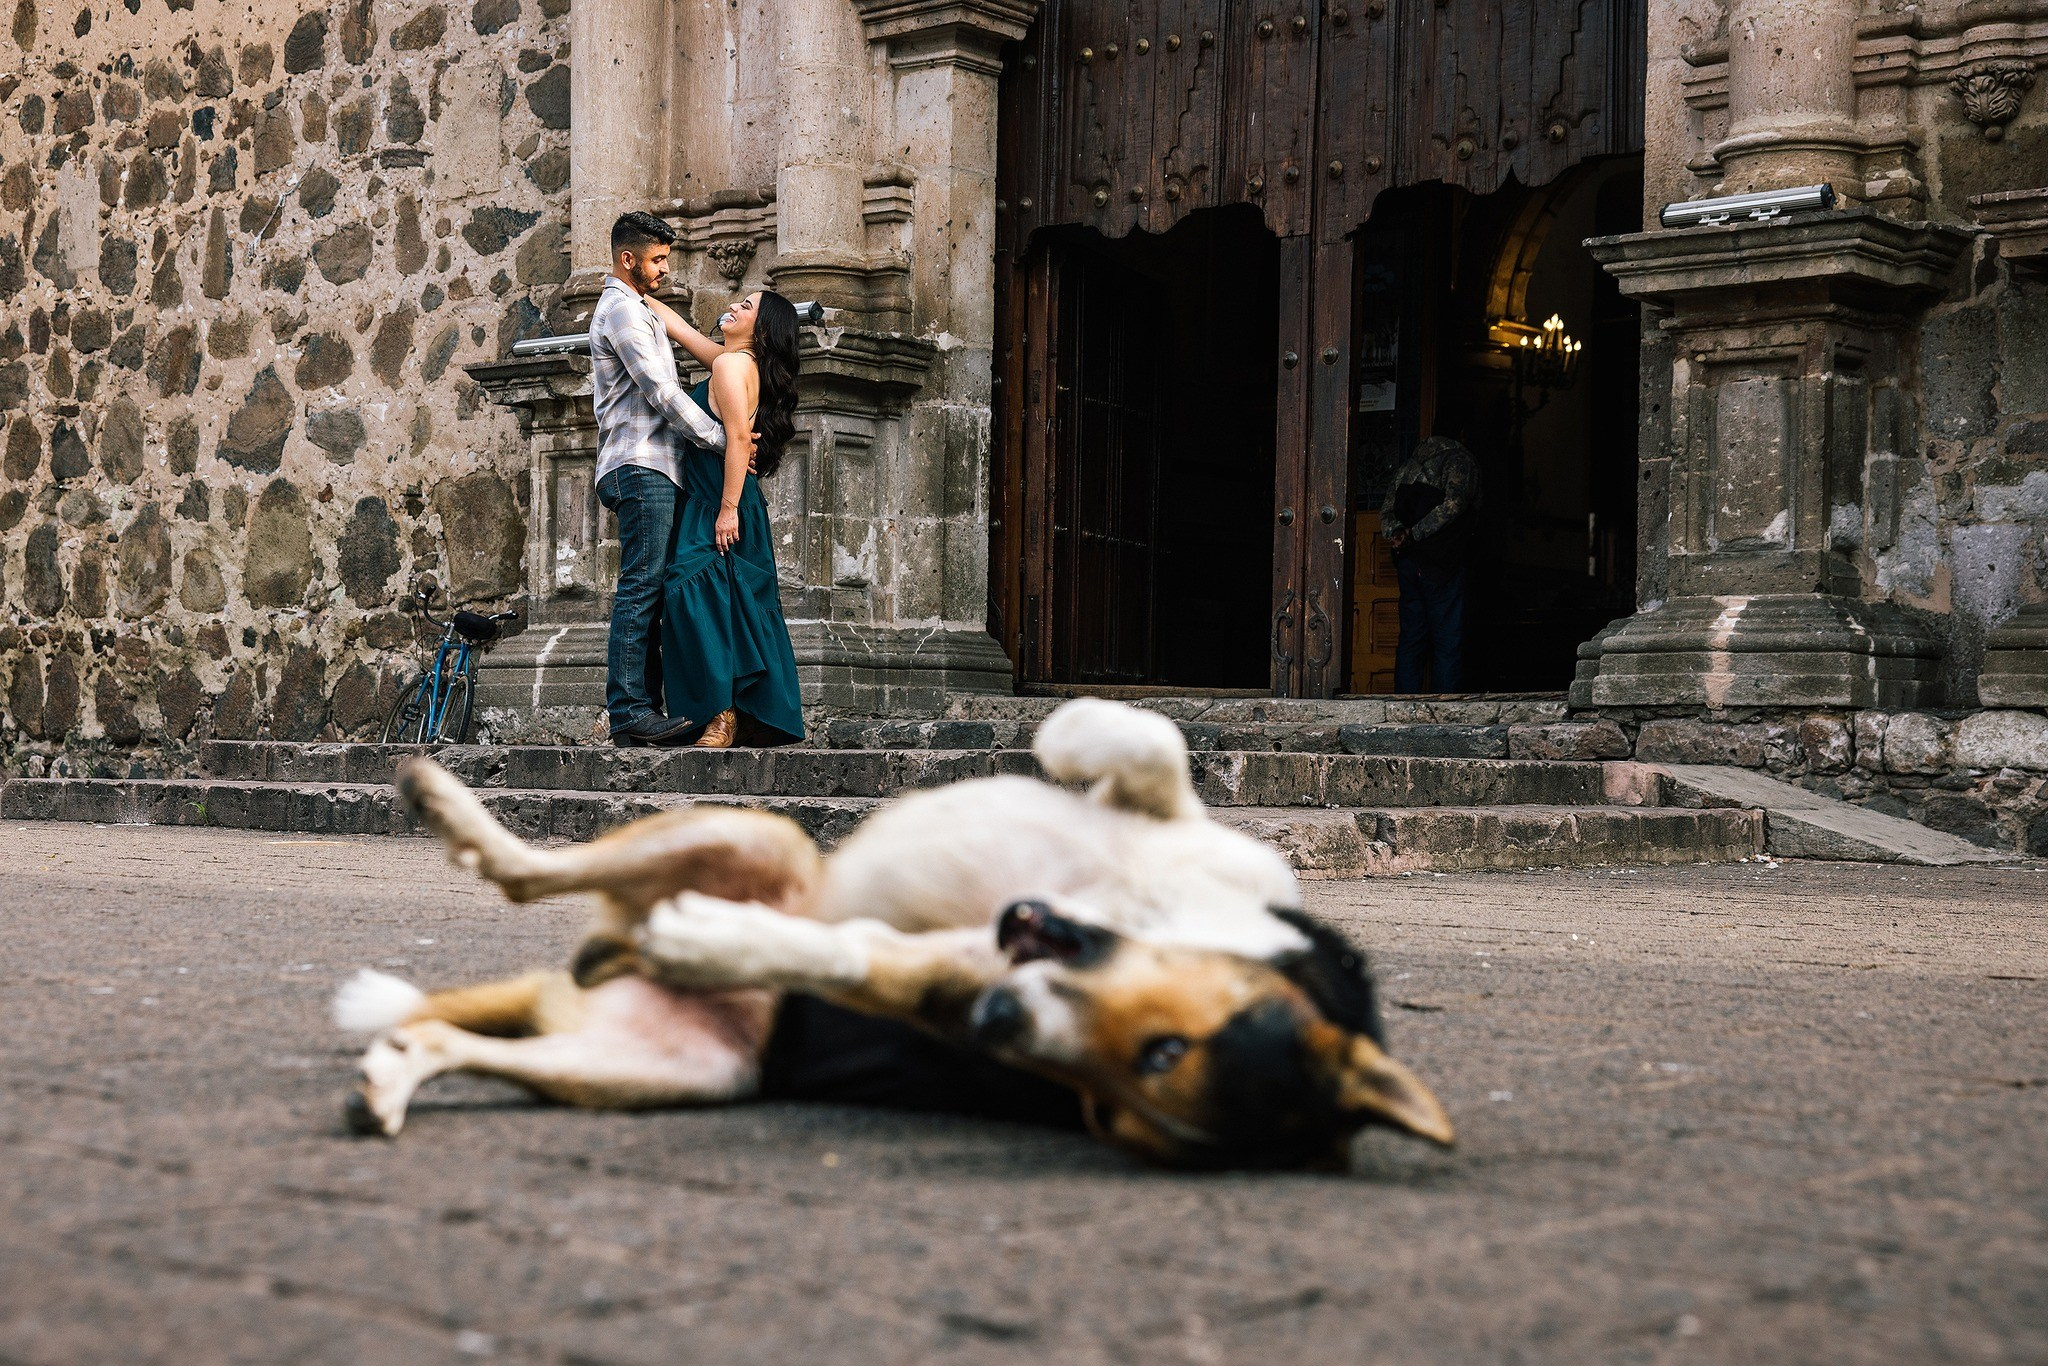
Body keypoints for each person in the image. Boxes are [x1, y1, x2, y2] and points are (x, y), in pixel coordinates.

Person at [589, 211, 731, 747]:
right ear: (629, 259)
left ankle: (644, 708)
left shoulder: (640, 310)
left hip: (654, 465)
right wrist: (721, 440)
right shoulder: (622, 312)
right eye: (657, 259)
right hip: (640, 464)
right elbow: (661, 393)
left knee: (651, 586)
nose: (665, 269)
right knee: (641, 585)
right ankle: (629, 711)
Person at [648, 289, 806, 748]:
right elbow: (683, 331)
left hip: (721, 502)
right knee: (724, 606)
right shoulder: (729, 361)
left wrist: (728, 509)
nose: (735, 306)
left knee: (691, 597)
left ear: (761, 331)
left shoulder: (732, 366)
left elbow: (738, 438)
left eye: (748, 307)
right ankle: (730, 712)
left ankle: (721, 715)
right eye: (739, 299)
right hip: (715, 499)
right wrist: (630, 289)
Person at [1380, 435, 1481, 694]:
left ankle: (1403, 706)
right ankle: (1444, 709)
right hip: (1441, 563)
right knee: (1447, 640)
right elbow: (1456, 503)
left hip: (1409, 563)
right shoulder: (1459, 460)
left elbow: (1387, 513)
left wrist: (1399, 533)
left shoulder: (1409, 466)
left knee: (1412, 639)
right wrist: (1416, 533)